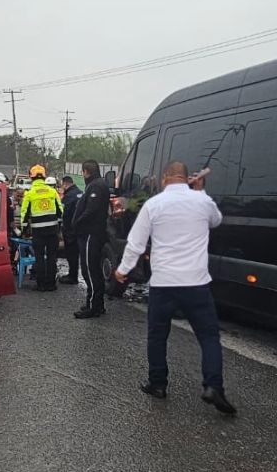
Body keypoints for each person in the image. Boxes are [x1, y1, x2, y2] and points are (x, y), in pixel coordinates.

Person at [114, 161, 236, 415]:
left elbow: (136, 243)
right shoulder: (202, 202)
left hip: (163, 283)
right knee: (209, 336)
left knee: (157, 336)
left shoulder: (154, 205)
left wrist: (123, 270)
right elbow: (216, 220)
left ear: (166, 178)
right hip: (197, 283)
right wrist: (201, 191)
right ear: (185, 177)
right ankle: (213, 386)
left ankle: (158, 384)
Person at [72, 160, 111, 319]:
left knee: (90, 269)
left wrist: (78, 222)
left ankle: (94, 306)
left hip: (91, 234)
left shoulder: (96, 186)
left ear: (86, 171)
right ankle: (95, 303)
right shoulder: (96, 184)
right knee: (91, 269)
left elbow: (91, 209)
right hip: (91, 233)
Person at [20, 164, 63, 292]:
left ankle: (40, 284)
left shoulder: (29, 193)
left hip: (38, 232)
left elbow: (24, 215)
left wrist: (23, 230)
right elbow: (60, 211)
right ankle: (51, 284)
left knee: (39, 257)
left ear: (31, 177)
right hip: (52, 231)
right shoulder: (52, 191)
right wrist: (58, 227)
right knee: (51, 256)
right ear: (44, 176)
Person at [59, 176, 83, 285]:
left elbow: (63, 213)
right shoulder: (80, 193)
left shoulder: (68, 196)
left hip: (70, 229)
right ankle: (74, 274)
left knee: (71, 253)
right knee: (76, 253)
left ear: (65, 184)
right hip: (80, 228)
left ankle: (72, 276)